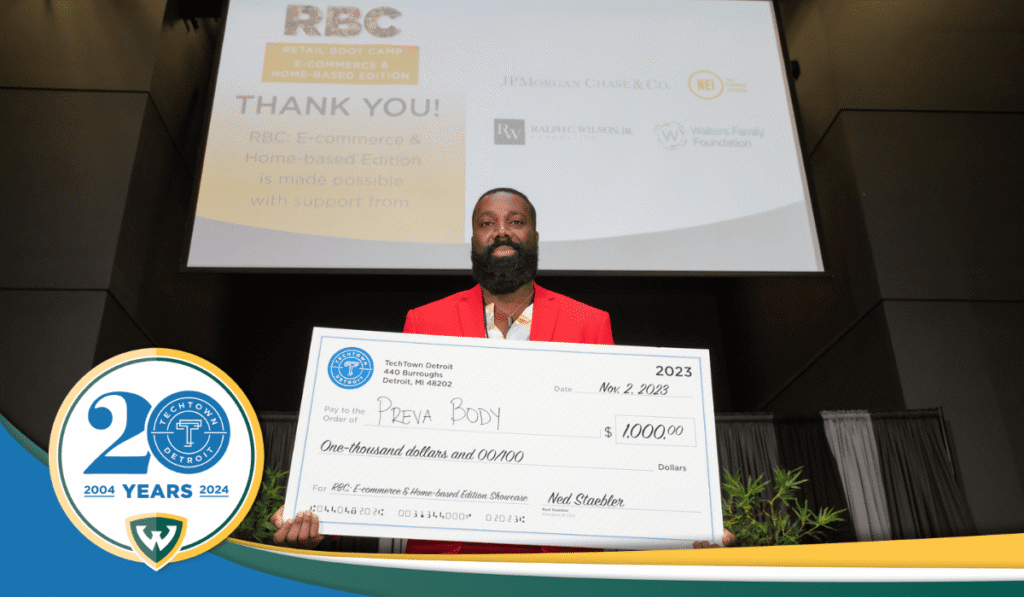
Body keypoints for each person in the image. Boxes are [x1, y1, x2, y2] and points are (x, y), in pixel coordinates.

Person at [273, 188, 731, 550]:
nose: (501, 232)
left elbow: (616, 446)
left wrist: (684, 521)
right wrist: (320, 516)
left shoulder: (590, 323)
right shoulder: (424, 321)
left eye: (516, 222)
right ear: (473, 240)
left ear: (534, 237)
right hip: (448, 554)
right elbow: (392, 436)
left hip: (560, 555)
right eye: (486, 224)